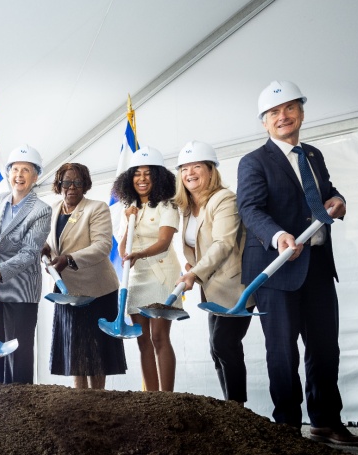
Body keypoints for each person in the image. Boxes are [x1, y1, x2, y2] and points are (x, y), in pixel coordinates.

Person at [237, 81, 358, 446]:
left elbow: (325, 193)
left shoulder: (312, 155)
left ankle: (326, 422)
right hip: (277, 272)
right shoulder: (254, 162)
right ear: (264, 123)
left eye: (290, 108)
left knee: (325, 348)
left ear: (302, 114)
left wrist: (337, 199)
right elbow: (250, 209)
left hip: (319, 268)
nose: (283, 116)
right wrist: (279, 237)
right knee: (282, 351)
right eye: (274, 113)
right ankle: (288, 429)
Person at [173, 141, 252, 403]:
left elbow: (223, 243)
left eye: (197, 166)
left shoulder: (224, 199)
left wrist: (195, 273)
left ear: (211, 170)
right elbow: (197, 245)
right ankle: (231, 408)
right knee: (217, 350)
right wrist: (190, 266)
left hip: (235, 287)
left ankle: (237, 408)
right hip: (211, 289)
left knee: (225, 345)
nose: (190, 173)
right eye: (184, 168)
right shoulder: (186, 207)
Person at [42, 163, 126, 389]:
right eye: (67, 182)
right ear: (59, 184)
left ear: (85, 185)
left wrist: (68, 259)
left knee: (97, 355)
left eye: (77, 182)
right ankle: (80, 403)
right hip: (67, 292)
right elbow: (54, 245)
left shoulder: (96, 208)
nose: (72, 187)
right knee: (74, 352)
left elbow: (102, 246)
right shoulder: (53, 210)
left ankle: (98, 405)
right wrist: (45, 249)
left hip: (97, 291)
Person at [110, 146, 180, 392]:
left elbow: (164, 243)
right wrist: (129, 220)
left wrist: (138, 254)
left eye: (148, 173)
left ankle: (166, 398)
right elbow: (121, 251)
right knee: (143, 342)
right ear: (129, 179)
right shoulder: (128, 208)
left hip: (161, 275)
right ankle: (150, 398)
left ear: (158, 176)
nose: (142, 179)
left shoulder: (167, 205)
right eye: (137, 174)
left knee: (159, 337)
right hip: (135, 278)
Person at [0, 146, 51, 384]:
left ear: (35, 176)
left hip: (21, 288)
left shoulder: (41, 210)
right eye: (15, 169)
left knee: (18, 354)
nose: (19, 175)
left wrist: (3, 270)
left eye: (26, 170)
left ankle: (21, 405)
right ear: (9, 173)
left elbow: (30, 251)